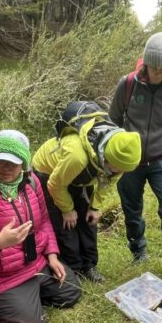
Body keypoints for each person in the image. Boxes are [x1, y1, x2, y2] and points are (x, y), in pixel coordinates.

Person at [0, 131, 82, 323]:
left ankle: (27, 298)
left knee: (71, 292)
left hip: (35, 264)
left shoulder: (31, 182)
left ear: (24, 162)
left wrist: (52, 255)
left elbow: (45, 222)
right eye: (0, 161)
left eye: (13, 163)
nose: (6, 168)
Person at [109, 32, 162, 285]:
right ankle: (138, 251)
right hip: (129, 161)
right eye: (153, 66)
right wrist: (118, 154)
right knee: (131, 208)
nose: (156, 72)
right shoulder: (127, 84)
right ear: (145, 62)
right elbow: (112, 120)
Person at [31, 113, 142, 284]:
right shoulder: (77, 156)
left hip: (84, 173)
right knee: (66, 224)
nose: (120, 173)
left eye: (124, 170)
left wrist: (95, 207)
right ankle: (74, 269)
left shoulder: (118, 161)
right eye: (118, 168)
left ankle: (89, 265)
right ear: (106, 157)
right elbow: (55, 184)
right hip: (50, 174)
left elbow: (109, 181)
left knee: (88, 221)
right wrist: (67, 210)